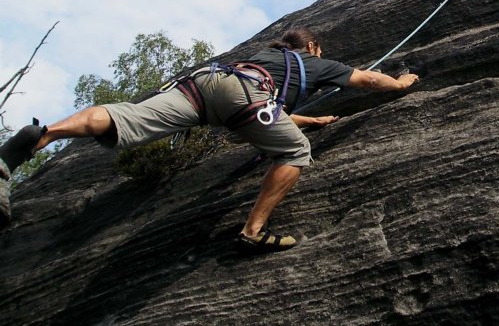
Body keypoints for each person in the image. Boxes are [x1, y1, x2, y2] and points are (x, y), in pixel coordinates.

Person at [0, 27, 419, 254]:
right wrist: (399, 83)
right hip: (246, 99)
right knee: (294, 152)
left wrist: (309, 117)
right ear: (310, 45)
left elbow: (266, 109)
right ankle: (254, 231)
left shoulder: (264, 56)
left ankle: (42, 136)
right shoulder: (312, 60)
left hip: (208, 85)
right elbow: (365, 78)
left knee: (123, 116)